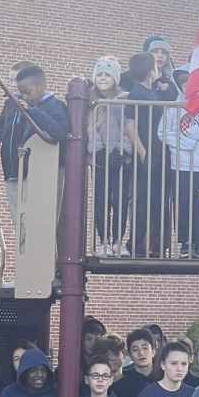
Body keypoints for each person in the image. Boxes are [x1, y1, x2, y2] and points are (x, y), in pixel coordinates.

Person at [159, 65, 199, 259]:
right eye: (185, 85)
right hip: (179, 166)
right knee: (182, 204)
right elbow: (163, 133)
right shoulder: (173, 109)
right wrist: (183, 143)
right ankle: (185, 242)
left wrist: (195, 134)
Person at [124, 52, 166, 259]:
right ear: (151, 72)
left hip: (156, 149)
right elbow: (129, 124)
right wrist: (142, 151)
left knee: (155, 198)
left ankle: (153, 243)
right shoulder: (137, 93)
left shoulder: (151, 91)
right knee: (143, 199)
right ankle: (136, 243)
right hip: (148, 150)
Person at [88, 56, 131, 257]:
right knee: (101, 202)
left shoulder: (124, 99)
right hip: (99, 161)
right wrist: (98, 151)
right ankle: (103, 240)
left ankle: (117, 241)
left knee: (120, 202)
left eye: (107, 75)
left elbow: (128, 127)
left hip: (120, 159)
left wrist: (122, 150)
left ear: (115, 78)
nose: (103, 79)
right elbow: (89, 128)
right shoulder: (90, 101)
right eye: (100, 75)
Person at [0, 59, 37, 228]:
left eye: (15, 80)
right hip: (10, 168)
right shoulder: (9, 103)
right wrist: (1, 137)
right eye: (10, 80)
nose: (11, 84)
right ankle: (22, 250)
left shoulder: (35, 104)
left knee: (29, 217)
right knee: (16, 217)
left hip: (27, 170)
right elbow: (1, 123)